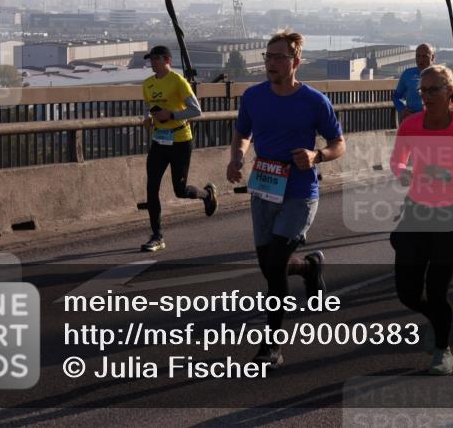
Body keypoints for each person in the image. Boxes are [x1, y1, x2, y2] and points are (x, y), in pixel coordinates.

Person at [227, 32, 346, 369]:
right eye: (268, 57)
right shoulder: (253, 97)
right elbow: (243, 133)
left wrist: (317, 155)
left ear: (295, 62)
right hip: (265, 189)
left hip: (299, 193)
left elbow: (339, 144)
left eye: (279, 57)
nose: (271, 63)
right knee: (269, 265)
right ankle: (309, 267)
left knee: (275, 263)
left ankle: (272, 345)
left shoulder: (314, 101)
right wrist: (236, 157)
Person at [390, 64, 453, 375]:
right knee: (407, 292)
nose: (427, 96)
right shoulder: (411, 125)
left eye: (434, 90)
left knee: (436, 290)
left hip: (451, 217)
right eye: (423, 90)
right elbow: (397, 163)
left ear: (449, 92)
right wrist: (405, 173)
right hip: (417, 212)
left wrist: (446, 176)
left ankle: (443, 351)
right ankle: (437, 321)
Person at [140, 45, 218, 253]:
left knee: (180, 190)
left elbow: (196, 110)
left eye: (156, 59)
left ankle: (207, 195)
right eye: (150, 59)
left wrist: (171, 115)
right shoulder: (147, 84)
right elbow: (148, 106)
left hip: (180, 140)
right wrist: (147, 119)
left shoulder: (178, 81)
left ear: (167, 60)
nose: (152, 63)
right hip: (159, 140)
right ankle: (157, 236)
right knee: (151, 188)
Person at [393, 44, 436, 122]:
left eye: (424, 56)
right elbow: (397, 96)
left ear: (432, 57)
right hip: (412, 119)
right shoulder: (407, 74)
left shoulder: (440, 75)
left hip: (433, 121)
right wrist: (402, 110)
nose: (420, 60)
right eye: (418, 56)